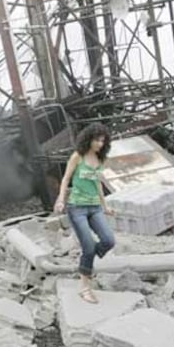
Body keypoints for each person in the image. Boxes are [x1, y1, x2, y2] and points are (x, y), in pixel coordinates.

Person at [54, 123, 116, 304]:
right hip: (77, 208)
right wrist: (60, 200)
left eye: (103, 141)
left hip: (95, 207)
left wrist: (105, 207)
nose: (100, 144)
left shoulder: (100, 159)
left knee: (108, 241)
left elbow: (98, 184)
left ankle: (85, 265)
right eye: (97, 140)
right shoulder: (77, 157)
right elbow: (65, 178)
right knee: (88, 247)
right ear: (88, 139)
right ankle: (84, 287)